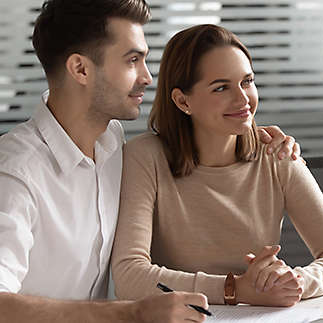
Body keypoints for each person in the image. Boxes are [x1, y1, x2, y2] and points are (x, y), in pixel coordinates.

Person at [0, 1, 300, 322]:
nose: (147, 76)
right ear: (80, 69)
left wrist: (251, 134)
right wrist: (133, 313)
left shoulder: (111, 141)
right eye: (133, 60)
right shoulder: (15, 173)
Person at [110, 24, 323, 307]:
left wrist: (294, 282)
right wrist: (235, 289)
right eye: (221, 87)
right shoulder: (145, 157)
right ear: (182, 100)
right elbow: (129, 276)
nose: (243, 99)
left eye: (247, 81)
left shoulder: (275, 152)